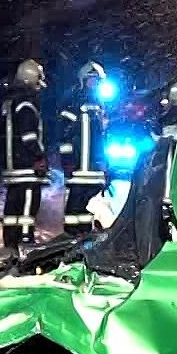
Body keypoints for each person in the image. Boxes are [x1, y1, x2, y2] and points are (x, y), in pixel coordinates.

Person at [0, 59, 48, 248]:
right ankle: (25, 240)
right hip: (26, 166)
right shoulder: (27, 104)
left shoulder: (11, 102)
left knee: (13, 205)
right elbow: (29, 136)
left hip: (13, 164)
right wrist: (39, 156)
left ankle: (11, 240)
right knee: (29, 203)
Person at [60, 61, 112, 237]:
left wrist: (104, 162)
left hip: (95, 169)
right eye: (91, 79)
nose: (94, 83)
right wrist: (67, 161)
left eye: (97, 79)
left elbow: (102, 138)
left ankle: (85, 235)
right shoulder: (74, 102)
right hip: (77, 168)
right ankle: (70, 236)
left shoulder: (101, 105)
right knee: (75, 204)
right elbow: (65, 134)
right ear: (83, 80)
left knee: (90, 205)